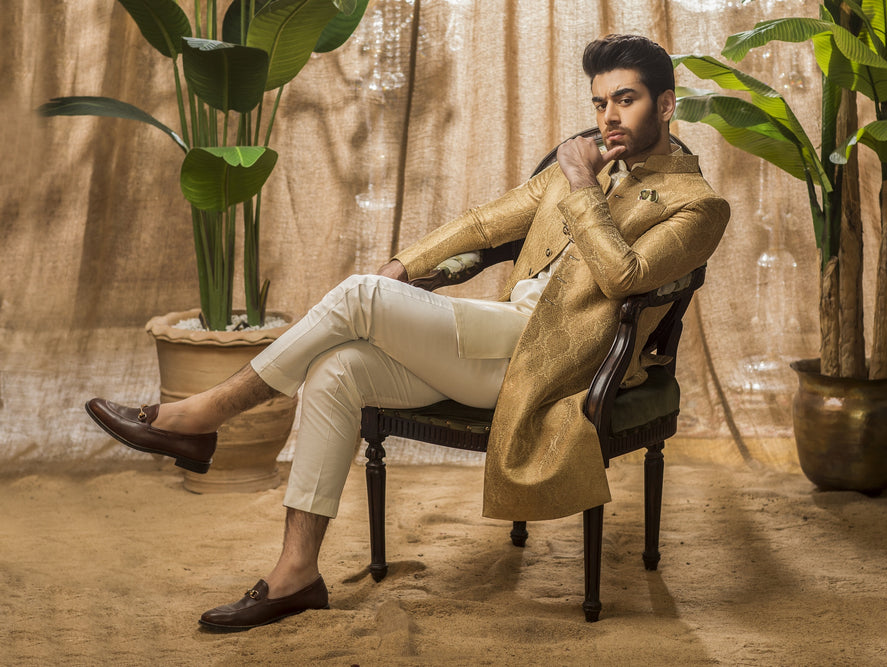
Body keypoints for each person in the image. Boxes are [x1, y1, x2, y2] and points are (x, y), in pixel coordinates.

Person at [86, 34, 730, 630]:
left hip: (557, 362)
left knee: (358, 297)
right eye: (599, 102)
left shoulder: (697, 206)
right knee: (337, 370)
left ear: (665, 105)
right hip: (499, 343)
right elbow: (484, 224)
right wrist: (399, 269)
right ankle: (296, 574)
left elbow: (624, 277)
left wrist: (583, 184)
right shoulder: (588, 160)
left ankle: (202, 416)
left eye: (625, 100)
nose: (608, 116)